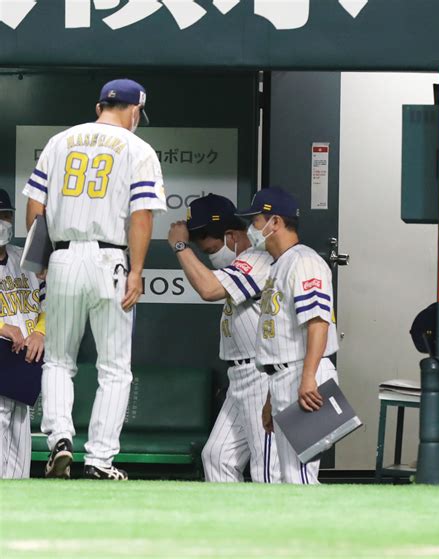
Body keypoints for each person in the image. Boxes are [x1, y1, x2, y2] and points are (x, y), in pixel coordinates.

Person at [23, 79, 167, 481]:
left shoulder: (60, 141)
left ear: (100, 104)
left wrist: (42, 258)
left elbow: (35, 207)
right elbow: (142, 215)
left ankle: (60, 441)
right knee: (115, 368)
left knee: (58, 359)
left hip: (64, 255)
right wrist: (136, 271)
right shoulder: (138, 148)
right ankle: (100, 459)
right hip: (109, 259)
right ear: (135, 110)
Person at [168, 194, 280, 483]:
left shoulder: (258, 258)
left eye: (212, 248)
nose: (211, 255)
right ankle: (231, 525)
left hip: (261, 374)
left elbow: (209, 289)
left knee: (268, 469)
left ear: (231, 235)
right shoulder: (242, 262)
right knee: (217, 457)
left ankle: (274, 526)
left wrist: (180, 247)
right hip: (240, 376)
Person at [235, 187, 339, 484]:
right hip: (285, 376)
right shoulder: (281, 264)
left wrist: (308, 377)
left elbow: (318, 322)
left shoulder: (304, 261)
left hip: (305, 374)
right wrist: (270, 396)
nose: (252, 229)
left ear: (275, 222)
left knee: (300, 477)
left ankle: (325, 531)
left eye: (256, 221)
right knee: (288, 476)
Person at [0, 189, 46, 479]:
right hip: (2, 354)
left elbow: (51, 302)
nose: (1, 222)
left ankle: (17, 514)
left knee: (19, 438)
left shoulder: (26, 260)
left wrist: (41, 332)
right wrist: (2, 327)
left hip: (25, 360)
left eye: (4, 215)